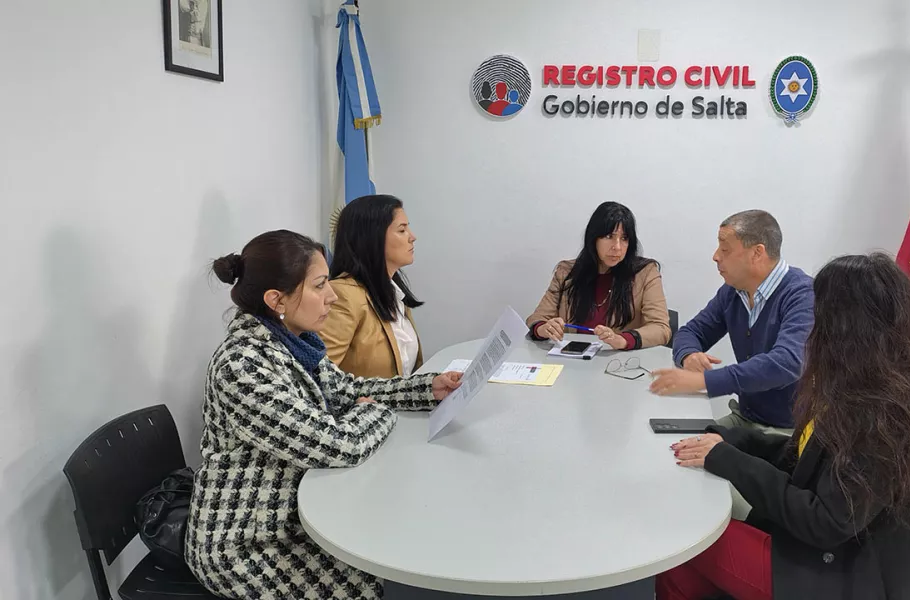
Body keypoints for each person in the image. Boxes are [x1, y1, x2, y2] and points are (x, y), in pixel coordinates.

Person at [657, 253, 910, 600]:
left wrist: (729, 461)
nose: (810, 329)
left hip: (843, 575)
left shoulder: (884, 414)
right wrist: (733, 440)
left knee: (682, 544)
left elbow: (825, 522)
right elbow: (806, 458)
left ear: (846, 328)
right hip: (828, 553)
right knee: (686, 562)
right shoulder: (867, 386)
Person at [185, 230, 462, 600]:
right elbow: (339, 445)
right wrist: (373, 410)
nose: (332, 296)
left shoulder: (295, 341)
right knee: (374, 583)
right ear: (276, 300)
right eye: (319, 286)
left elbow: (347, 390)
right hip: (248, 541)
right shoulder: (241, 365)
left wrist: (426, 389)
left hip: (295, 513)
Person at [650, 210, 813, 434]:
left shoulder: (803, 295)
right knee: (676, 444)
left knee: (700, 450)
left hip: (790, 432)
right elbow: (691, 332)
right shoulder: (733, 291)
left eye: (725, 249)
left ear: (757, 253)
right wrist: (689, 355)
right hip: (745, 418)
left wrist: (705, 381)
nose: (715, 256)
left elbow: (786, 363)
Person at [526, 201, 670, 350]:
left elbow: (661, 328)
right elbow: (537, 319)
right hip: (571, 359)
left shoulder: (646, 273)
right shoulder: (566, 272)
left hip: (619, 360)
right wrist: (544, 329)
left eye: (624, 238)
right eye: (609, 236)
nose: (617, 247)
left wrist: (623, 340)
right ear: (593, 238)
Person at [320, 195, 424, 378]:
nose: (412, 237)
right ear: (373, 238)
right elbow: (321, 378)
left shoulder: (394, 291)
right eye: (402, 230)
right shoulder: (343, 295)